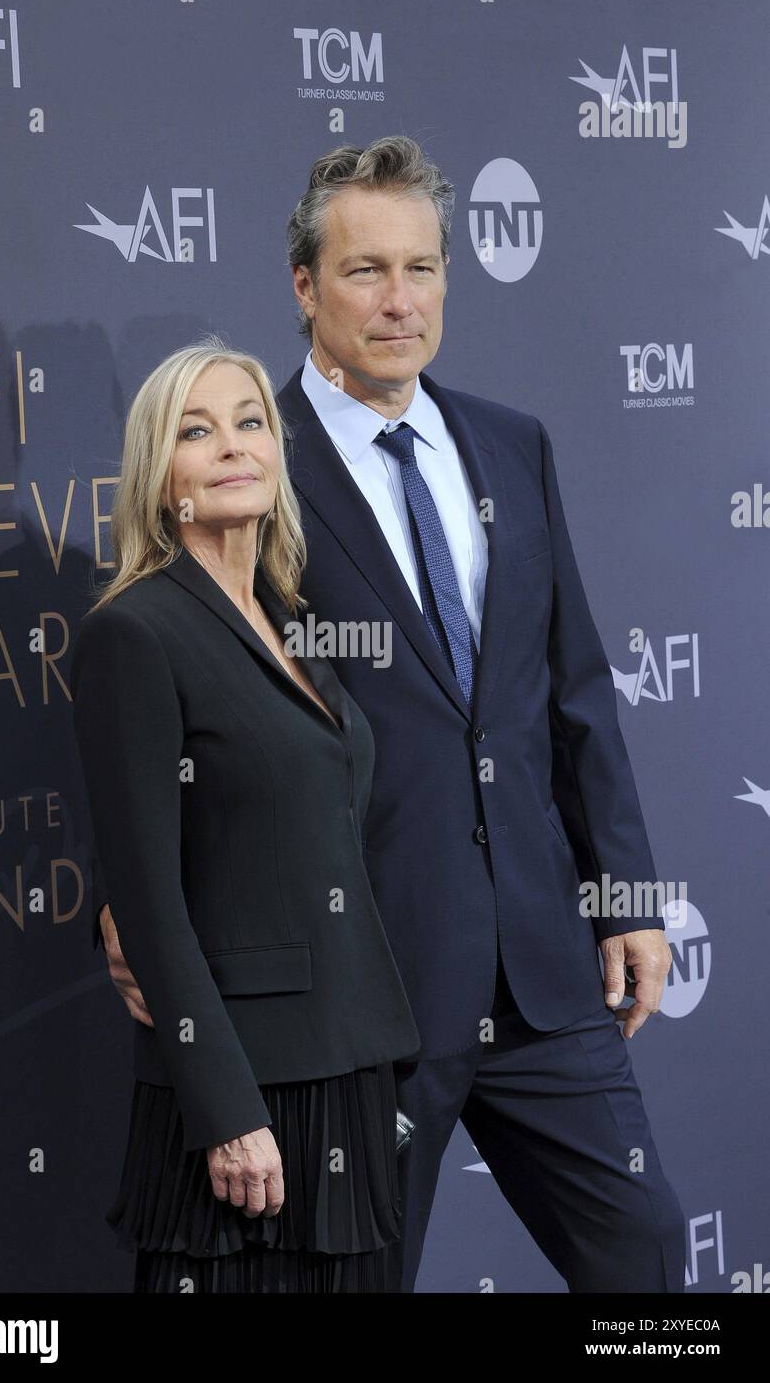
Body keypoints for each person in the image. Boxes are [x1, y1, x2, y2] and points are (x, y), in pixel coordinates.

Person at [90, 135, 686, 1293]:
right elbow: (181, 702)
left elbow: (570, 688)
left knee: (647, 1254)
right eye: (364, 270)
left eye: (421, 268)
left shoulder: (511, 447)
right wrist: (128, 893)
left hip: (541, 975)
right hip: (362, 995)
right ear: (305, 287)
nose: (398, 300)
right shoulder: (252, 462)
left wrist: (626, 890)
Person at [70, 340, 421, 1293]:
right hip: (243, 1089)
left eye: (250, 421)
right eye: (196, 429)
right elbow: (145, 896)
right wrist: (225, 1111)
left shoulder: (292, 619)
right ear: (159, 474)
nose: (231, 445)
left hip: (347, 1067)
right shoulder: (134, 632)